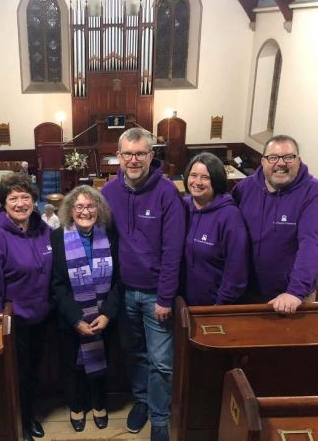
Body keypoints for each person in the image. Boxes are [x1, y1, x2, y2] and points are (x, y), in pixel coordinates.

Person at [100, 127, 185, 441]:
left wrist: (165, 296)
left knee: (161, 361)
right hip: (123, 292)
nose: (133, 160)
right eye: (127, 154)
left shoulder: (167, 194)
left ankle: (160, 417)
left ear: (151, 155)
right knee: (133, 352)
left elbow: (173, 249)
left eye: (140, 153)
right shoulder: (108, 193)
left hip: (155, 296)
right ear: (119, 157)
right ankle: (143, 401)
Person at [0, 173, 52, 441]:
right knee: (18, 376)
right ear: (3, 203)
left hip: (43, 316)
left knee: (35, 371)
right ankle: (23, 420)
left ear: (34, 201)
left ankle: (31, 412)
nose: (21, 203)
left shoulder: (43, 229)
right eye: (13, 198)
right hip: (15, 322)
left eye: (26, 197)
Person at [232, 135, 318, 314]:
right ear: (263, 161)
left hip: (289, 297)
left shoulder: (313, 192)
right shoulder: (244, 188)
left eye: (288, 157)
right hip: (245, 290)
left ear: (298, 160)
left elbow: (312, 245)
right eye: (273, 157)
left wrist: (295, 292)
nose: (281, 163)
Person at [50, 185, 119, 432]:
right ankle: (76, 405)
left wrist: (108, 314)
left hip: (103, 316)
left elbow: (118, 280)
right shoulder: (57, 238)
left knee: (102, 361)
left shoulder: (109, 236)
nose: (85, 211)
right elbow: (56, 285)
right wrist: (75, 319)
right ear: (70, 210)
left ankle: (99, 403)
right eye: (79, 206)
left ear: (98, 209)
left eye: (90, 206)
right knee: (71, 365)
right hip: (71, 318)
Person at [183, 152, 248, 305]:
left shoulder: (230, 217)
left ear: (216, 180)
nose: (197, 182)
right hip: (181, 302)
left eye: (205, 177)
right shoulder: (182, 207)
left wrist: (219, 307)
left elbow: (236, 272)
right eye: (193, 175)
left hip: (212, 305)